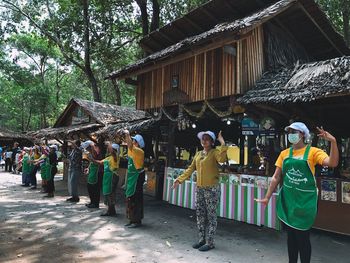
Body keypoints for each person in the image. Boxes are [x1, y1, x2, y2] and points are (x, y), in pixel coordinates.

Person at [255, 122, 339, 263]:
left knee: (302, 237)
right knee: (291, 236)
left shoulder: (313, 152)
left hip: (305, 201)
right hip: (289, 200)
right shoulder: (284, 154)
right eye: (289, 132)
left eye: (294, 132)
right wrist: (267, 197)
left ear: (302, 134)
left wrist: (333, 142)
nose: (291, 135)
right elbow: (276, 177)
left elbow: (332, 162)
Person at [172, 131, 227, 252]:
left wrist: (222, 142)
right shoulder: (198, 154)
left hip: (212, 189)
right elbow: (190, 169)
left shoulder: (215, 153)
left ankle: (210, 242)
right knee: (200, 215)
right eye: (203, 139)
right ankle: (202, 239)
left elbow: (222, 159)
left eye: (207, 139)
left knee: (211, 216)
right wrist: (179, 180)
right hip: (200, 188)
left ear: (212, 142)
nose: (204, 141)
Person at [89, 143, 120, 216]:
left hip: (112, 176)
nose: (108, 149)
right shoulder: (109, 157)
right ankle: (111, 210)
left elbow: (100, 162)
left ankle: (111, 211)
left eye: (110, 148)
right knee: (109, 193)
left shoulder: (115, 157)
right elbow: (100, 162)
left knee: (110, 193)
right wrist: (92, 159)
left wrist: (109, 144)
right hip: (108, 176)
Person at [123, 131, 146, 228]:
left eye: (133, 140)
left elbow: (129, 144)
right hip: (132, 177)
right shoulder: (131, 150)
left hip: (137, 176)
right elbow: (128, 144)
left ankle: (137, 221)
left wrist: (127, 134)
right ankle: (131, 219)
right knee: (130, 199)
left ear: (137, 143)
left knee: (136, 199)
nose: (132, 141)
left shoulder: (139, 151)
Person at [83, 140, 103, 208]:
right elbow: (91, 163)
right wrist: (88, 168)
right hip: (92, 172)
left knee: (95, 189)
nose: (87, 149)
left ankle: (95, 203)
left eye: (87, 148)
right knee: (90, 187)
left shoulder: (97, 152)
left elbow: (99, 162)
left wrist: (91, 160)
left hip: (97, 172)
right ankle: (92, 202)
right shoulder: (90, 153)